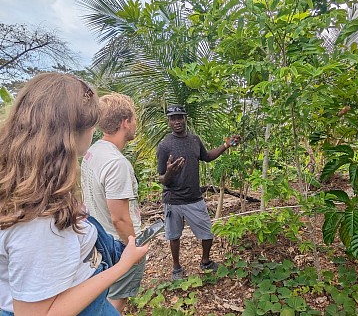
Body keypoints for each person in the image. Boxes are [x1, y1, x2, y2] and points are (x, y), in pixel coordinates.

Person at [0, 72, 148, 316]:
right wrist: (123, 265)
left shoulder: (39, 187)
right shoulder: (37, 218)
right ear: (70, 133)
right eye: (90, 123)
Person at [157, 104, 240, 280]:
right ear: (169, 121)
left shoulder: (194, 140)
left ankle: (205, 261)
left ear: (185, 118)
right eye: (173, 118)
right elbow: (161, 178)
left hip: (194, 198)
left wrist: (226, 145)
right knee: (174, 236)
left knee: (207, 233)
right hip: (173, 199)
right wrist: (170, 173)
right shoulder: (164, 146)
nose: (177, 121)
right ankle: (176, 267)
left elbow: (207, 157)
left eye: (180, 117)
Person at [81, 93, 144, 314]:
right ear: (125, 122)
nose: (136, 124)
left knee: (104, 295)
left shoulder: (92, 151)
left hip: (97, 239)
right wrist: (132, 249)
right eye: (134, 119)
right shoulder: (117, 163)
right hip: (116, 244)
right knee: (117, 299)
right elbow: (119, 218)